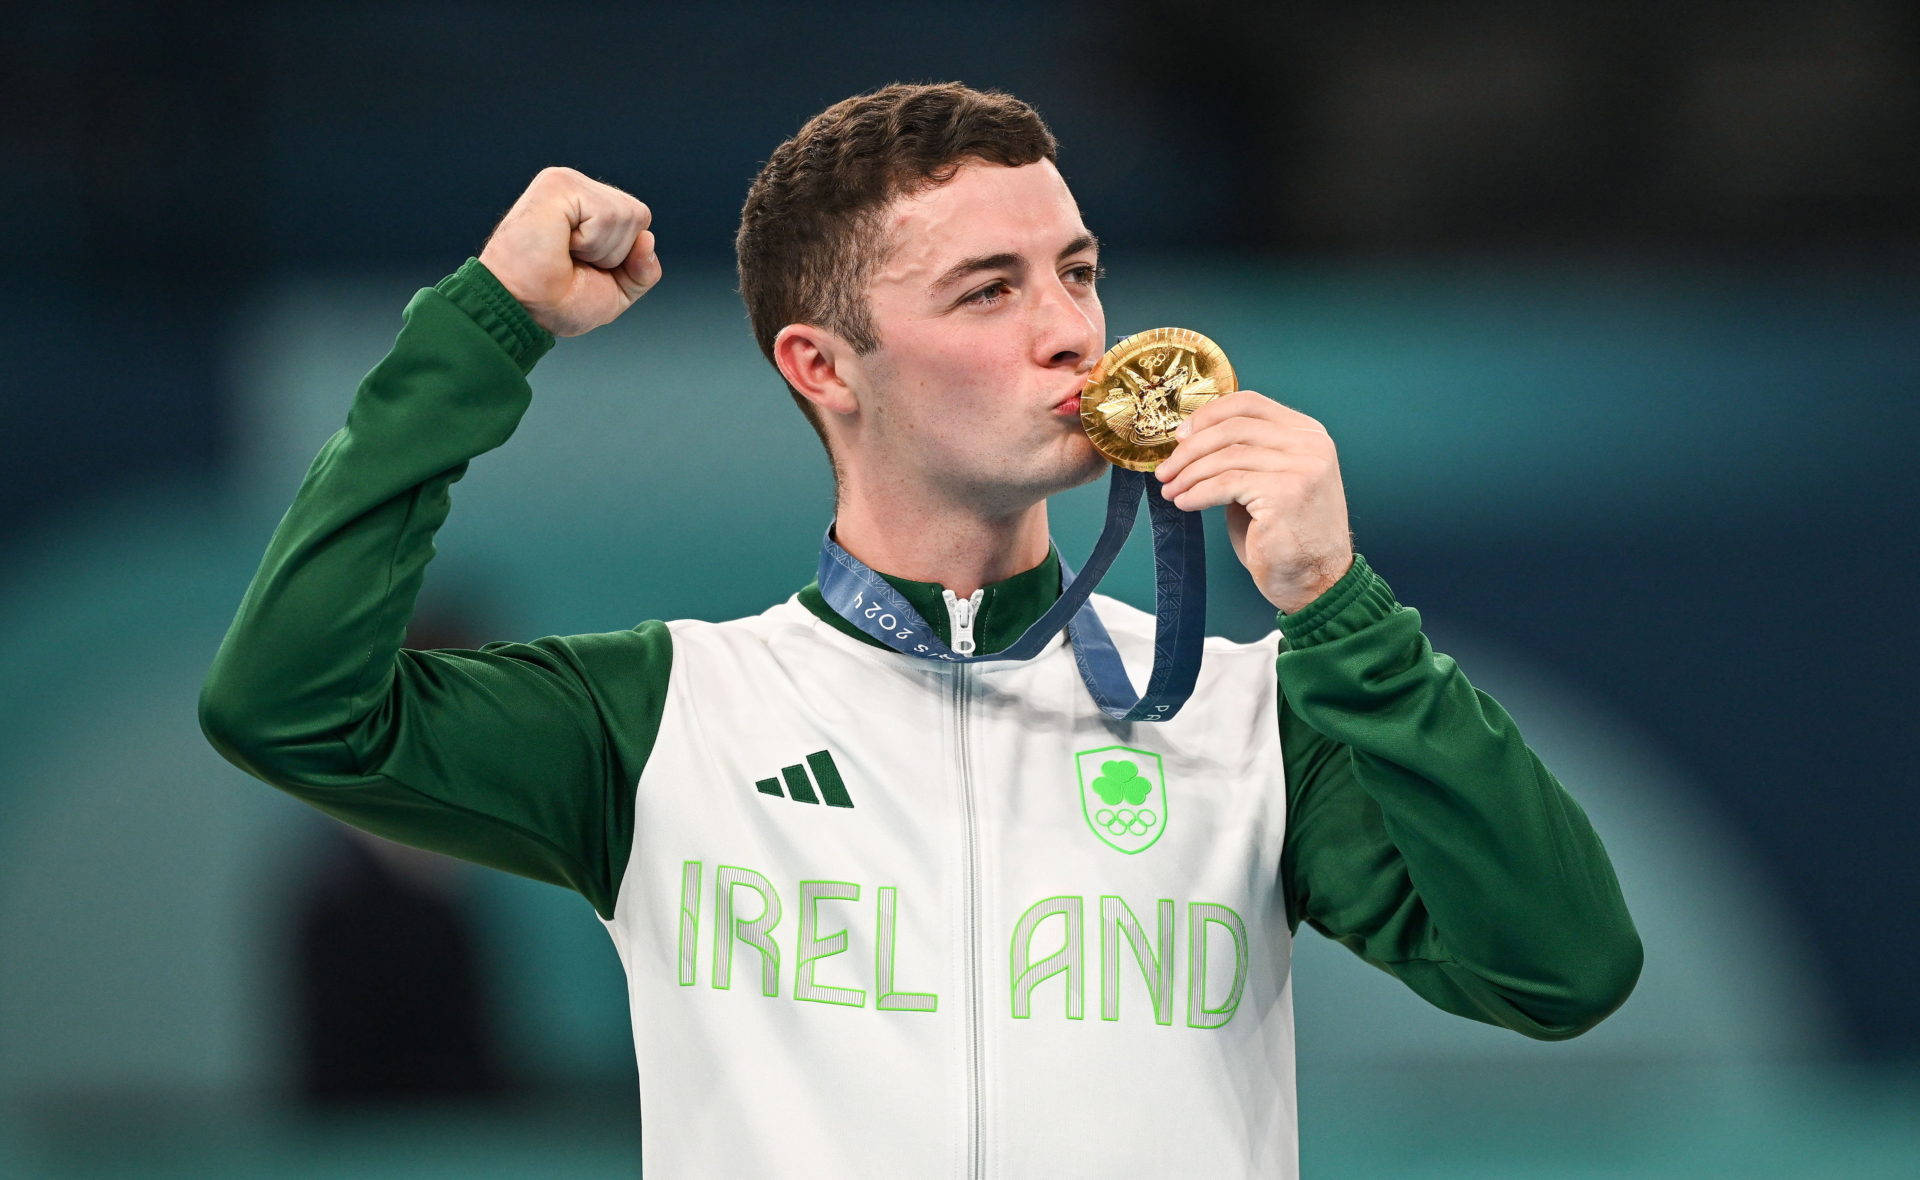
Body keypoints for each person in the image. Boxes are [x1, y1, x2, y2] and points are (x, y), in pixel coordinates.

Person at [200, 82, 1641, 1177]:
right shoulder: (669, 719)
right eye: (990, 288)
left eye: (1077, 271)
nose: (1073, 331)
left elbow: (1564, 969)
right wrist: (484, 326)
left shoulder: (1245, 710)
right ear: (823, 365)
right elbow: (287, 708)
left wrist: (1346, 611)